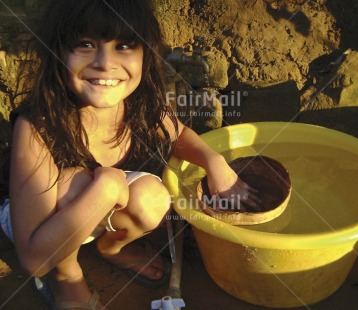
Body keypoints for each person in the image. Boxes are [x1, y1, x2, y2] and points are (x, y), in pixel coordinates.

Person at [0, 0, 259, 308]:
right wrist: (106, 186)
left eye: (123, 45)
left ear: (145, 56)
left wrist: (214, 162)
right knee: (78, 183)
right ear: (58, 52)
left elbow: (179, 136)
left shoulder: (139, 102)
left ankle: (114, 248)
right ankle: (67, 276)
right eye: (85, 44)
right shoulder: (38, 125)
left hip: (99, 205)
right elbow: (33, 259)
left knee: (153, 198)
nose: (105, 63)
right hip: (40, 230)